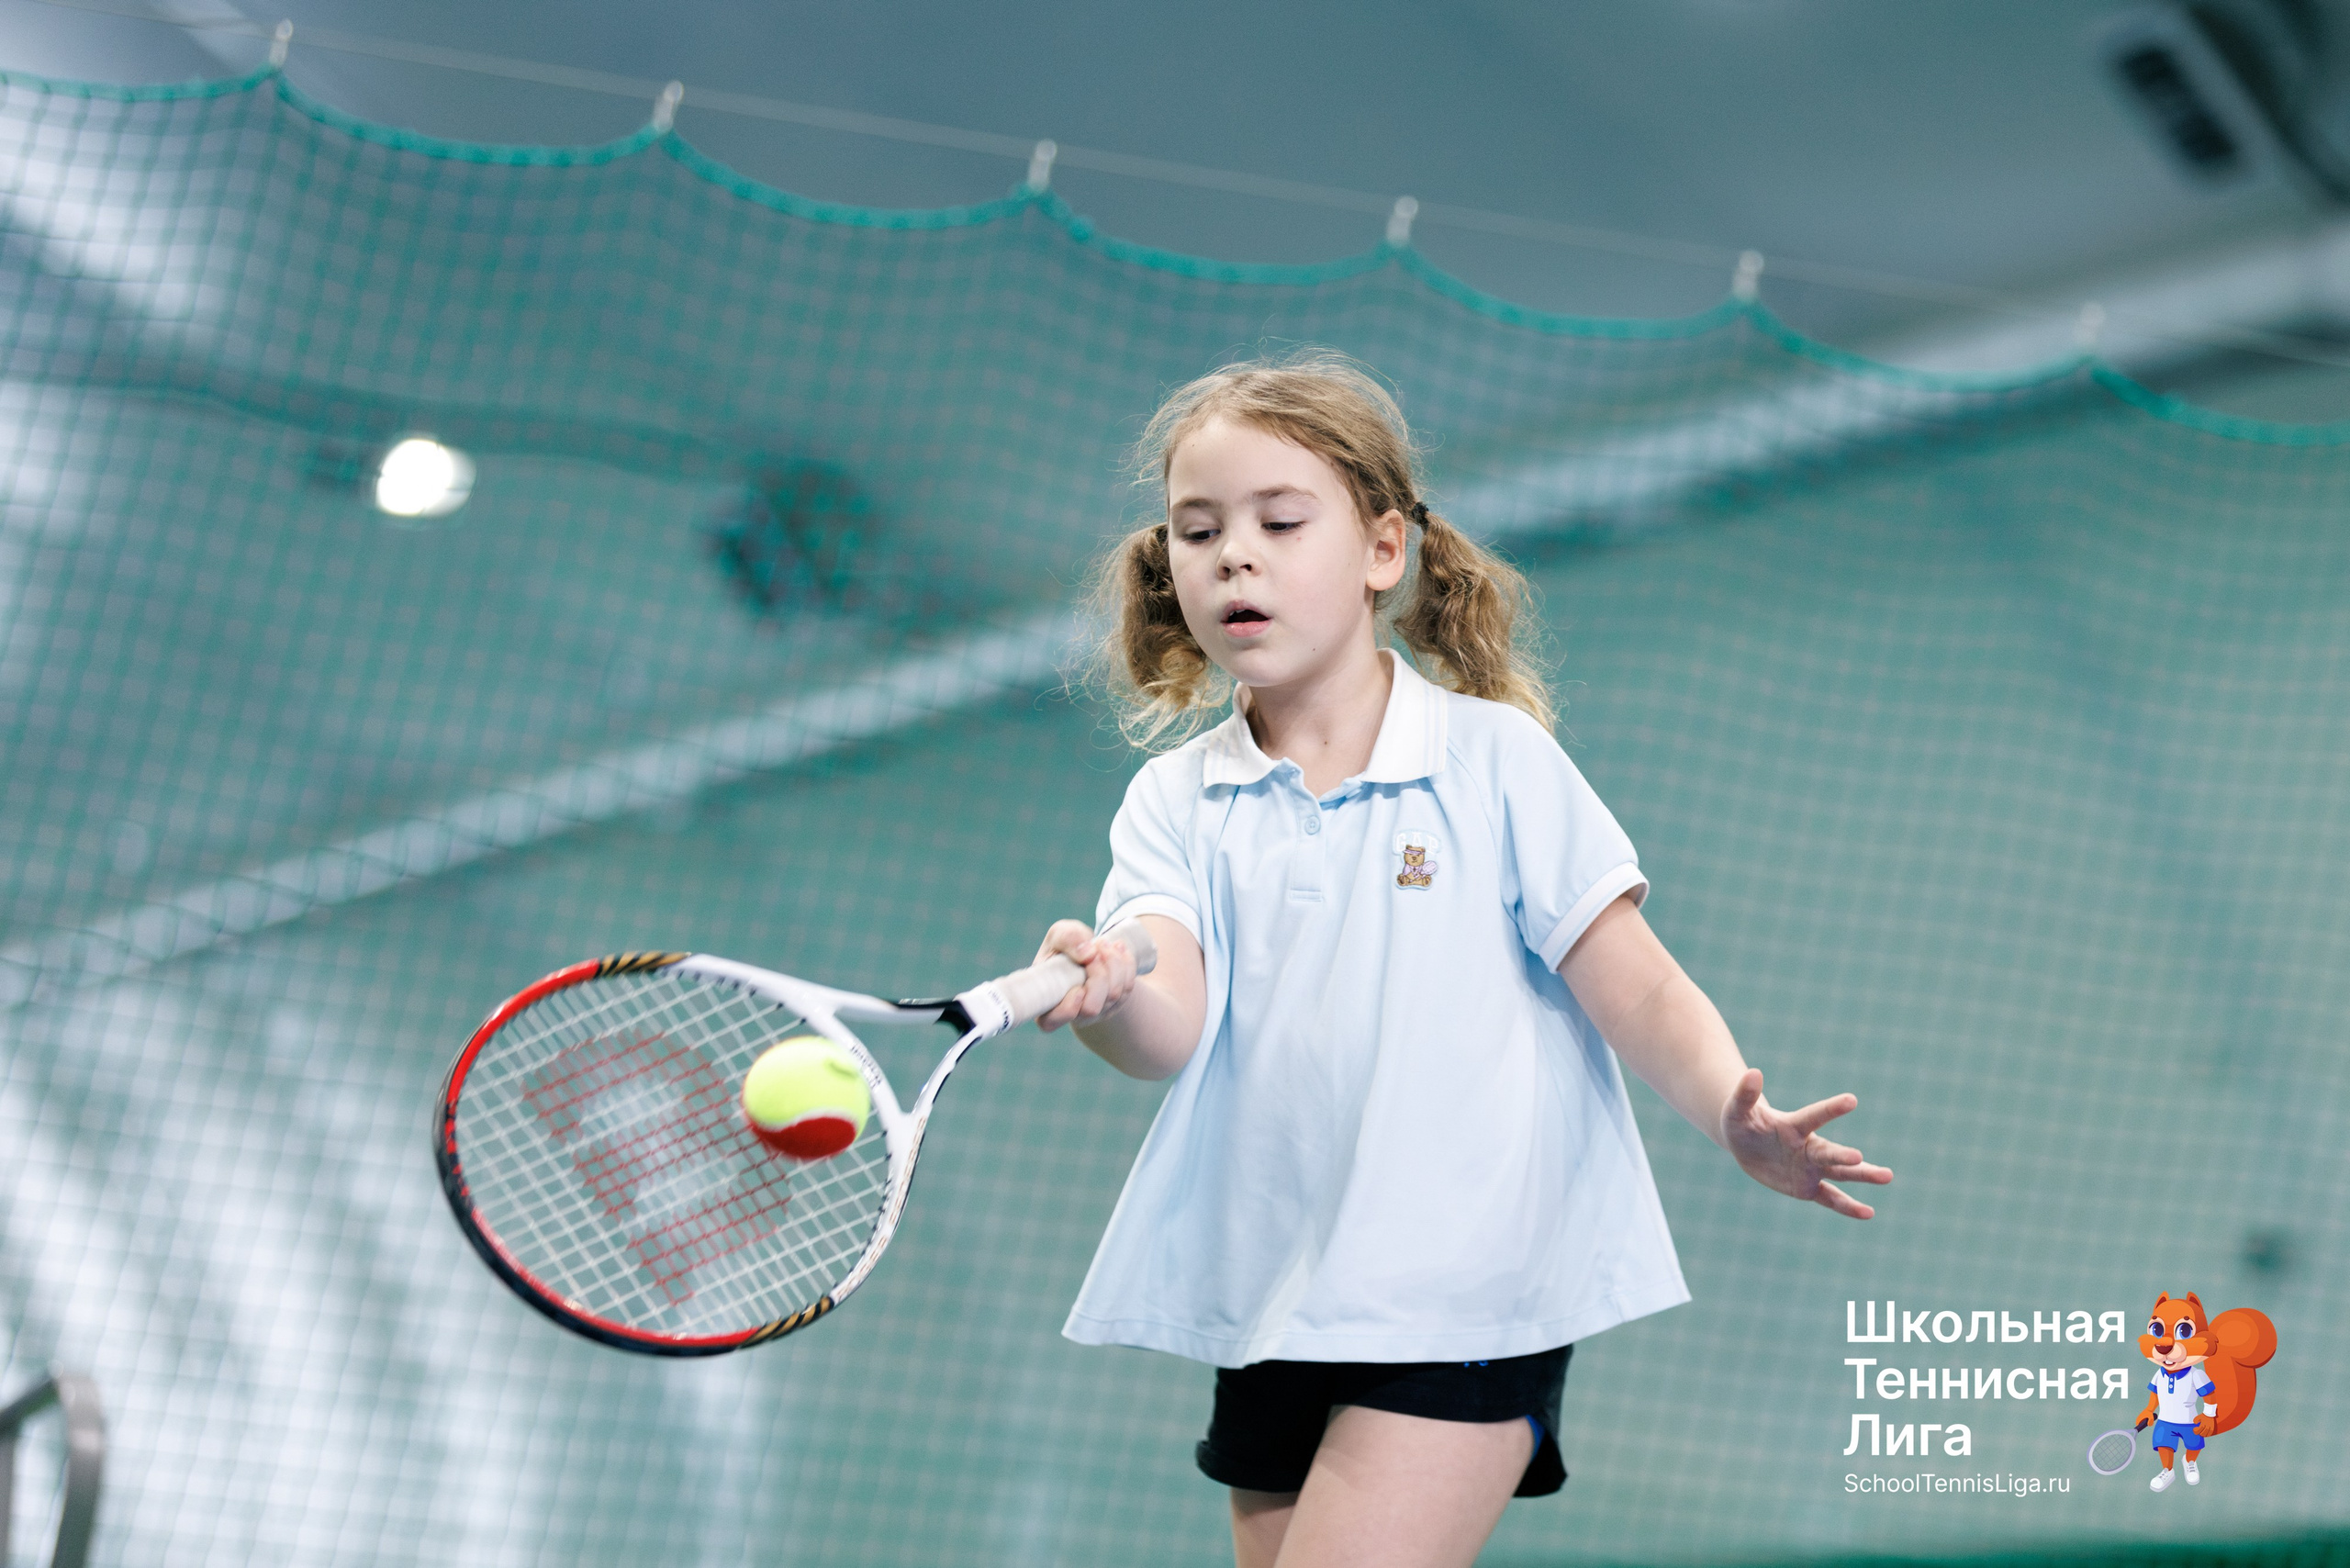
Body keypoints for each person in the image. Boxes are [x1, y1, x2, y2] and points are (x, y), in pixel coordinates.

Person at [1032, 353, 1891, 1568]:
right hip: (1270, 1292)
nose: (1234, 556)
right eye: (1198, 530)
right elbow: (1167, 1023)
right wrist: (1109, 994)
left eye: (1281, 521)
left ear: (1384, 550)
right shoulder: (1172, 799)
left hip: (1466, 1286)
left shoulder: (1495, 763)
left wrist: (1730, 1115)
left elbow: (1631, 979)